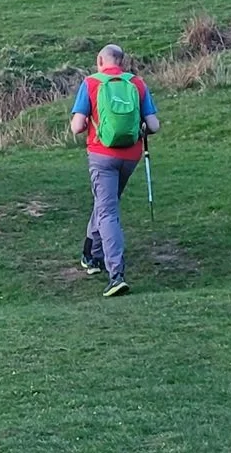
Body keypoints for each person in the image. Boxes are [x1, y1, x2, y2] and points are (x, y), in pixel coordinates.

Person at [70, 43, 160, 298]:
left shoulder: (90, 83)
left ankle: (116, 275)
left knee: (108, 211)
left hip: (102, 155)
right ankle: (91, 253)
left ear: (100, 61)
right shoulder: (137, 84)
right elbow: (154, 125)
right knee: (105, 202)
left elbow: (77, 126)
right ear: (122, 62)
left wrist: (90, 122)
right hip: (130, 156)